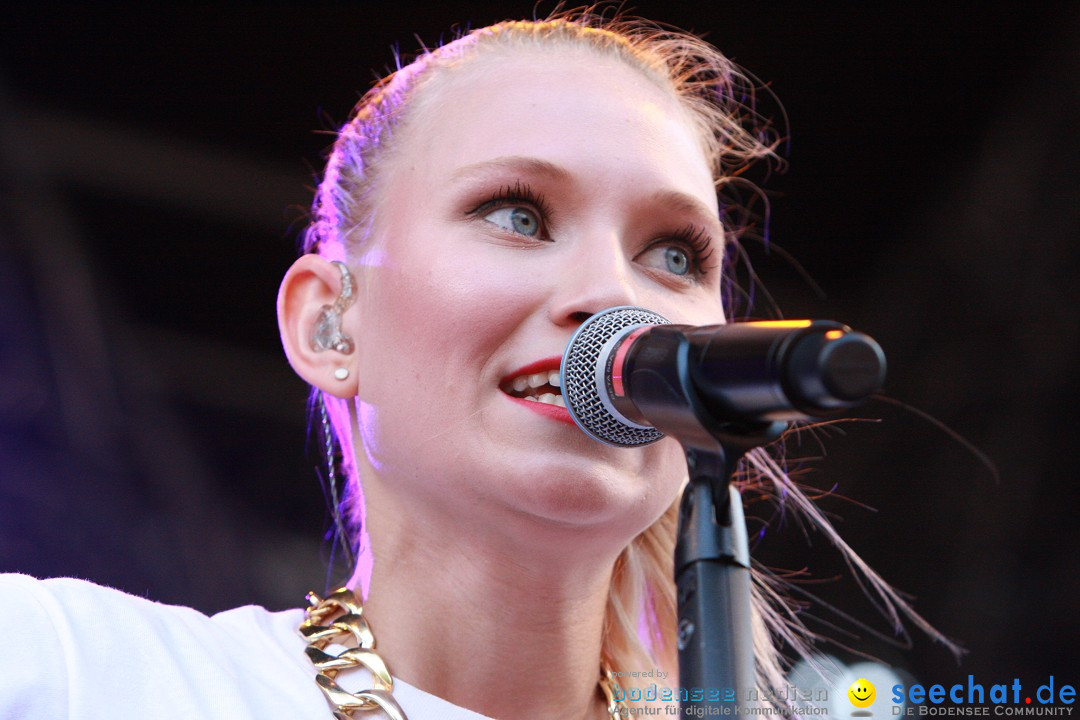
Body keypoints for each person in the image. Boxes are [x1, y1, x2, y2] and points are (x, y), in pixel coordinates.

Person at [0, 9, 945, 720]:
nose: (613, 296)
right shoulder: (71, 671)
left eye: (673, 255)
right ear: (332, 325)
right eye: (518, 214)